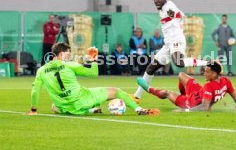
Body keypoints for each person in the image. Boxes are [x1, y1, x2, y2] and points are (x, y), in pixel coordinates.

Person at [26, 42, 159, 116]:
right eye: (68, 53)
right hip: (83, 99)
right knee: (116, 91)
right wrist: (94, 60)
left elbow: (35, 92)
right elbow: (93, 73)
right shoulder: (70, 65)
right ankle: (139, 109)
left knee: (54, 106)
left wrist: (33, 110)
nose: (70, 55)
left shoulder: (41, 70)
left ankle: (91, 110)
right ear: (61, 54)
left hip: (66, 106)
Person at [133, 0, 207, 102]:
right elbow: (181, 15)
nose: (156, 1)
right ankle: (137, 96)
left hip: (176, 40)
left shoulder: (168, 5)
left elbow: (177, 14)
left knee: (179, 63)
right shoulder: (162, 10)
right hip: (168, 44)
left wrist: (173, 13)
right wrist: (175, 15)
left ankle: (208, 62)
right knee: (151, 68)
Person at [137, 60, 236, 111]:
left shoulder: (209, 86)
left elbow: (204, 107)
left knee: (167, 93)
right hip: (198, 92)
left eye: (206, 71)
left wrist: (185, 109)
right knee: (181, 75)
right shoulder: (226, 81)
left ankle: (148, 88)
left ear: (214, 74)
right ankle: (183, 94)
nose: (204, 73)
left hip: (191, 103)